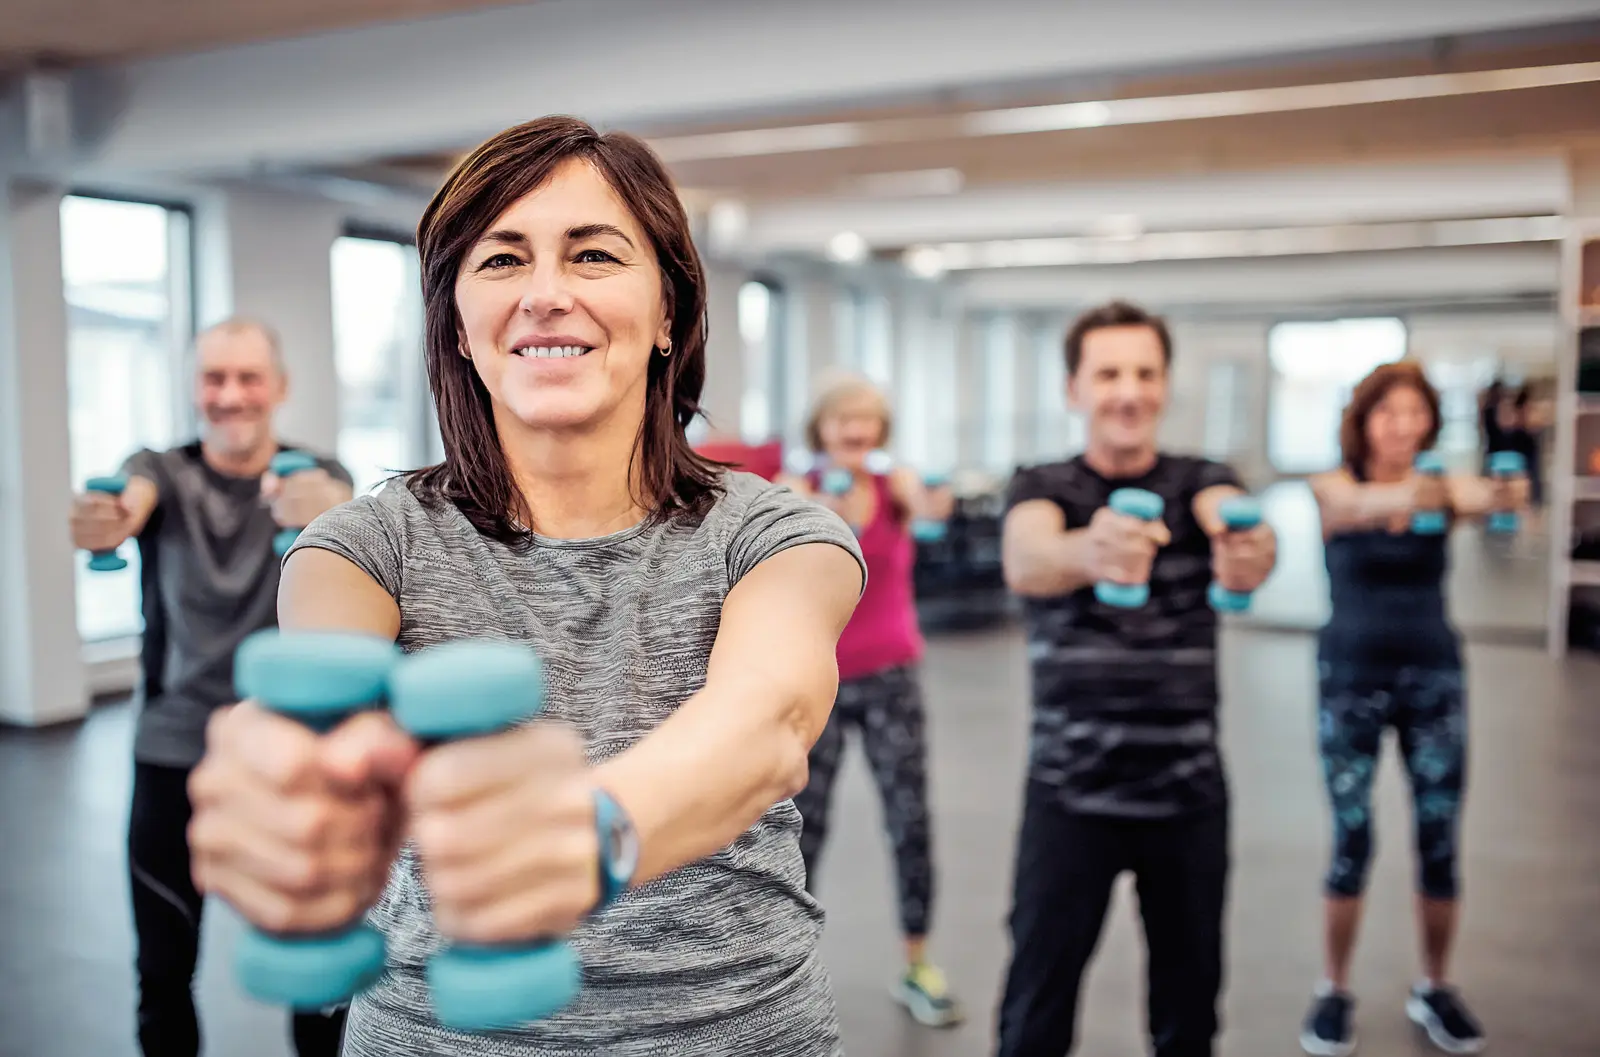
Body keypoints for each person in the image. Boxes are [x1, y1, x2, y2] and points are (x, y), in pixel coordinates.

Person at [184, 116, 866, 1056]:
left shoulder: (774, 532)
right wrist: (286, 779)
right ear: (458, 325)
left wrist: (590, 833)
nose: (547, 295)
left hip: (741, 1030)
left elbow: (769, 719)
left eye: (593, 255)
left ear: (669, 311)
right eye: (502, 261)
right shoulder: (362, 545)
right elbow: (320, 701)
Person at [995, 299, 1278, 1057]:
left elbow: (1237, 518)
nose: (1129, 390)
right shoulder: (1041, 485)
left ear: (1166, 384)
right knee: (1034, 1012)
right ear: (1073, 389)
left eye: (1145, 372)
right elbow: (1027, 559)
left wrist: (1249, 541)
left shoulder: (1201, 482)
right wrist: (1096, 551)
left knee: (1189, 1017)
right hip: (1069, 794)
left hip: (1187, 795)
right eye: (1109, 372)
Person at [67, 318, 355, 1057]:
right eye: (213, 378)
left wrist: (324, 512)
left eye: (248, 377)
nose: (230, 395)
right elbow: (126, 502)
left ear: (279, 388)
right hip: (174, 750)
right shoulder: (161, 470)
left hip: (291, 758)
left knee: (316, 979)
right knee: (162, 972)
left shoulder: (316, 474)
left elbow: (340, 501)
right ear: (193, 387)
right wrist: (104, 523)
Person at [1299, 361, 1526, 1057]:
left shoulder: (1443, 489)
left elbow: (1495, 499)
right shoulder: (1332, 485)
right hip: (1350, 679)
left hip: (1434, 680)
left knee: (1438, 838)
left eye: (1415, 412)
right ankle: (1333, 988)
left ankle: (1435, 984)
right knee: (1352, 836)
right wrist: (1419, 495)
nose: (1403, 425)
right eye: (1388, 412)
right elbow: (1343, 507)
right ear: (1363, 420)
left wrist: (1506, 491)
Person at [777, 373, 961, 1028]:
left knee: (909, 820)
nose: (857, 429)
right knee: (802, 826)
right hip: (818, 678)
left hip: (891, 675)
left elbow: (933, 509)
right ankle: (786, 968)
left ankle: (918, 963)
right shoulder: (797, 493)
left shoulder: (896, 487)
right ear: (821, 428)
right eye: (843, 418)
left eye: (868, 419)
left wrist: (936, 499)